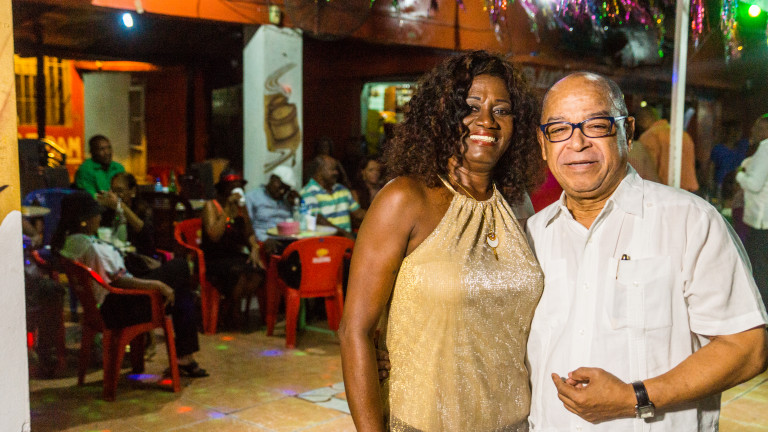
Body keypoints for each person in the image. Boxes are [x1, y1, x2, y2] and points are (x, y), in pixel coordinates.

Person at [526, 72, 767, 431]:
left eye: (596, 125)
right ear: (543, 143)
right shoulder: (532, 235)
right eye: (559, 129)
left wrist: (634, 397)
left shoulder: (689, 222)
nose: (577, 143)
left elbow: (746, 347)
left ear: (627, 131)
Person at [339, 50, 544, 432]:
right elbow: (355, 331)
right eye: (471, 106)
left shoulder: (518, 204)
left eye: (501, 110)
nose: (487, 121)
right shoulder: (404, 199)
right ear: (442, 113)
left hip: (515, 422)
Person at [52, 191, 208, 377]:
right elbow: (119, 281)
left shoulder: (71, 242)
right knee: (180, 267)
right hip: (119, 308)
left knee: (181, 292)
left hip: (104, 307)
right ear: (83, 220)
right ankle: (185, 357)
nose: (100, 217)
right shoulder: (89, 247)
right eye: (96, 214)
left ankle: (185, 357)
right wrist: (159, 285)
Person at [201, 167, 263, 327]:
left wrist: (254, 247)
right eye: (232, 186)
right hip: (214, 257)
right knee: (240, 274)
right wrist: (227, 210)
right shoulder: (211, 206)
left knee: (258, 271)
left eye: (238, 186)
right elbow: (214, 236)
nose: (236, 189)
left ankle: (229, 306)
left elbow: (249, 233)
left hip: (234, 255)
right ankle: (233, 310)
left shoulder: (241, 208)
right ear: (224, 188)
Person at [736, 114, 768, 310]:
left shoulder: (765, 148)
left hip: (761, 220)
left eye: (758, 128)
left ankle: (761, 311)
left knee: (758, 268)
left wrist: (740, 175)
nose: (753, 131)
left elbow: (755, 185)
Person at [635, 107, 699, 192]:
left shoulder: (649, 136)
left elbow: (647, 170)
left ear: (643, 120)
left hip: (666, 191)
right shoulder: (683, 134)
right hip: (690, 190)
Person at [300, 155, 365, 237]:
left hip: (346, 240)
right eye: (332, 169)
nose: (336, 172)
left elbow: (358, 213)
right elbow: (318, 219)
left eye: (336, 169)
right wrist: (345, 235)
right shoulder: (308, 192)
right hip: (324, 241)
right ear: (319, 171)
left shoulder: (341, 189)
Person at [97, 172, 156, 257]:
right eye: (113, 191)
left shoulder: (144, 209)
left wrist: (119, 205)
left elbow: (145, 234)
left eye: (120, 191)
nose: (115, 195)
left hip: (139, 257)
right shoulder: (109, 210)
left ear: (133, 191)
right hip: (114, 255)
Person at [245, 165, 299, 242]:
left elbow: (299, 225)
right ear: (272, 179)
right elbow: (247, 227)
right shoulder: (252, 197)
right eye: (281, 186)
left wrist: (297, 204)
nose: (282, 191)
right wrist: (264, 240)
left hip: (287, 240)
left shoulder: (287, 201)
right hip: (264, 240)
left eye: (286, 189)